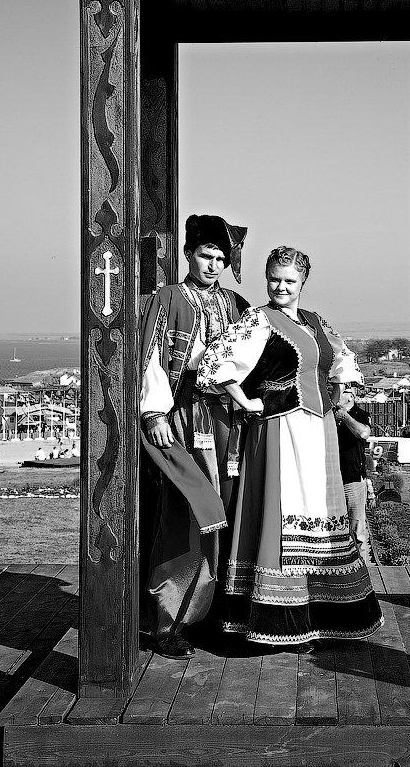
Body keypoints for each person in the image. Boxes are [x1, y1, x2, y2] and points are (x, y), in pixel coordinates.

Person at [197, 246, 383, 650]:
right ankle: (283, 618)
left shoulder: (316, 321)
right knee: (284, 517)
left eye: (289, 281)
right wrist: (246, 401)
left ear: (303, 282)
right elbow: (216, 363)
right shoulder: (258, 320)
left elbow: (342, 360)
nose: (280, 287)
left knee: (320, 514)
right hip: (280, 430)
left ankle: (322, 613)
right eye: (274, 279)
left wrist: (340, 393)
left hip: (320, 431)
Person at [140, 214, 249, 658]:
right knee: (186, 513)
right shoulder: (167, 298)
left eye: (221, 259)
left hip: (228, 421)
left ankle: (211, 614)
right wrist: (154, 412)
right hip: (183, 415)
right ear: (189, 254)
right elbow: (150, 357)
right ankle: (167, 621)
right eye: (206, 256)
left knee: (229, 511)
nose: (214, 265)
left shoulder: (237, 304)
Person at [333, 389, 373, 564]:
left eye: (340, 390)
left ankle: (360, 567)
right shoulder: (329, 414)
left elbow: (363, 433)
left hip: (352, 478)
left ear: (350, 396)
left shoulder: (361, 414)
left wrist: (344, 416)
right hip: (332, 478)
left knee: (356, 528)